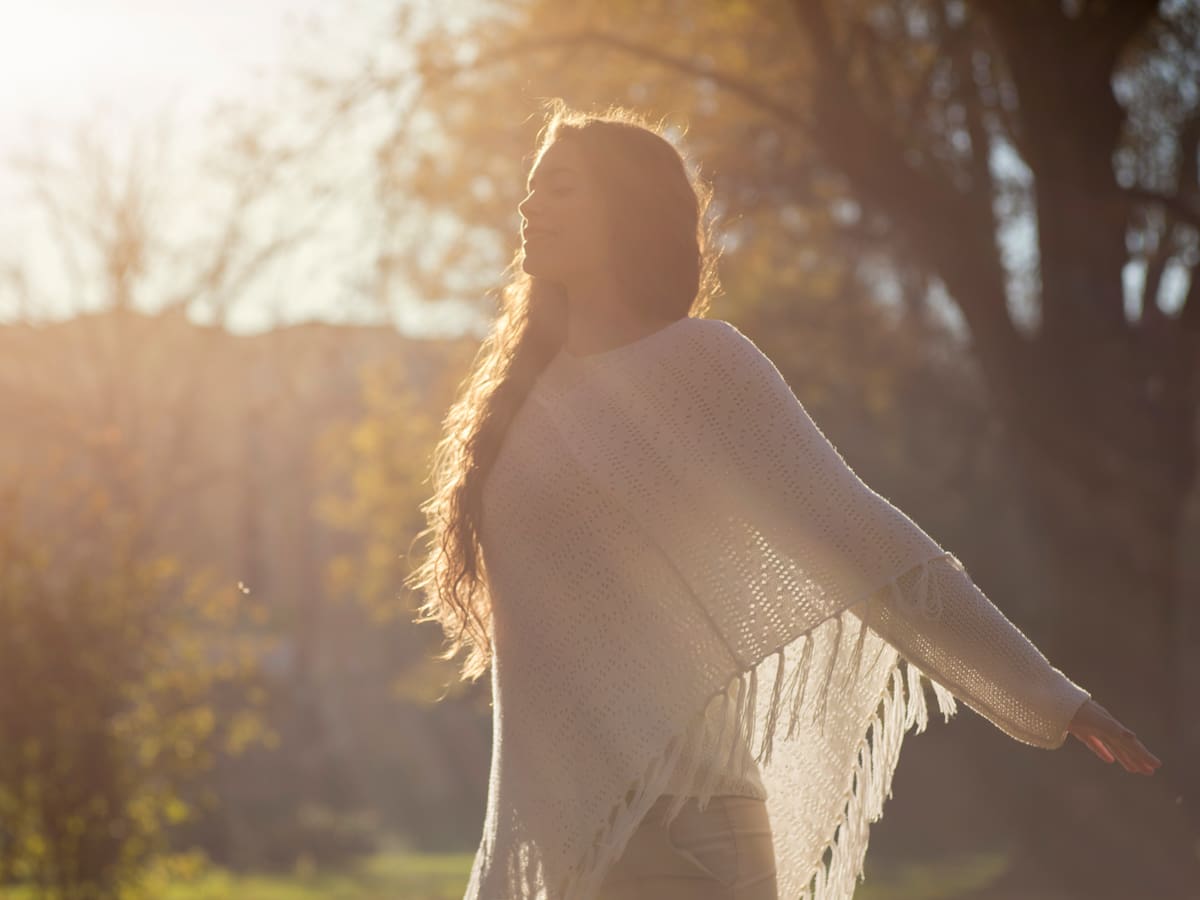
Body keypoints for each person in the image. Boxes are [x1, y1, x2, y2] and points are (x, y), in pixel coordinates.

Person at [407, 99, 1161, 900]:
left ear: (626, 207)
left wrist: (1045, 693)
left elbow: (861, 537)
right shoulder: (516, 404)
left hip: (685, 829)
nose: (530, 204)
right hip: (563, 831)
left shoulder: (702, 363)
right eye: (531, 187)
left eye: (560, 186)